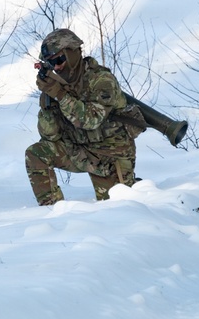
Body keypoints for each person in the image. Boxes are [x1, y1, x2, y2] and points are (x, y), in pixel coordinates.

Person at [25, 29, 141, 206]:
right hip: (80, 149)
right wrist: (48, 101)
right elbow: (50, 136)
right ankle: (51, 212)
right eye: (50, 63)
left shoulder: (102, 79)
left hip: (110, 155)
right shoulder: (58, 84)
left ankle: (136, 186)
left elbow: (91, 120)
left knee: (117, 208)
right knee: (36, 153)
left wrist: (60, 94)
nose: (56, 67)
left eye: (59, 60)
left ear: (73, 53)